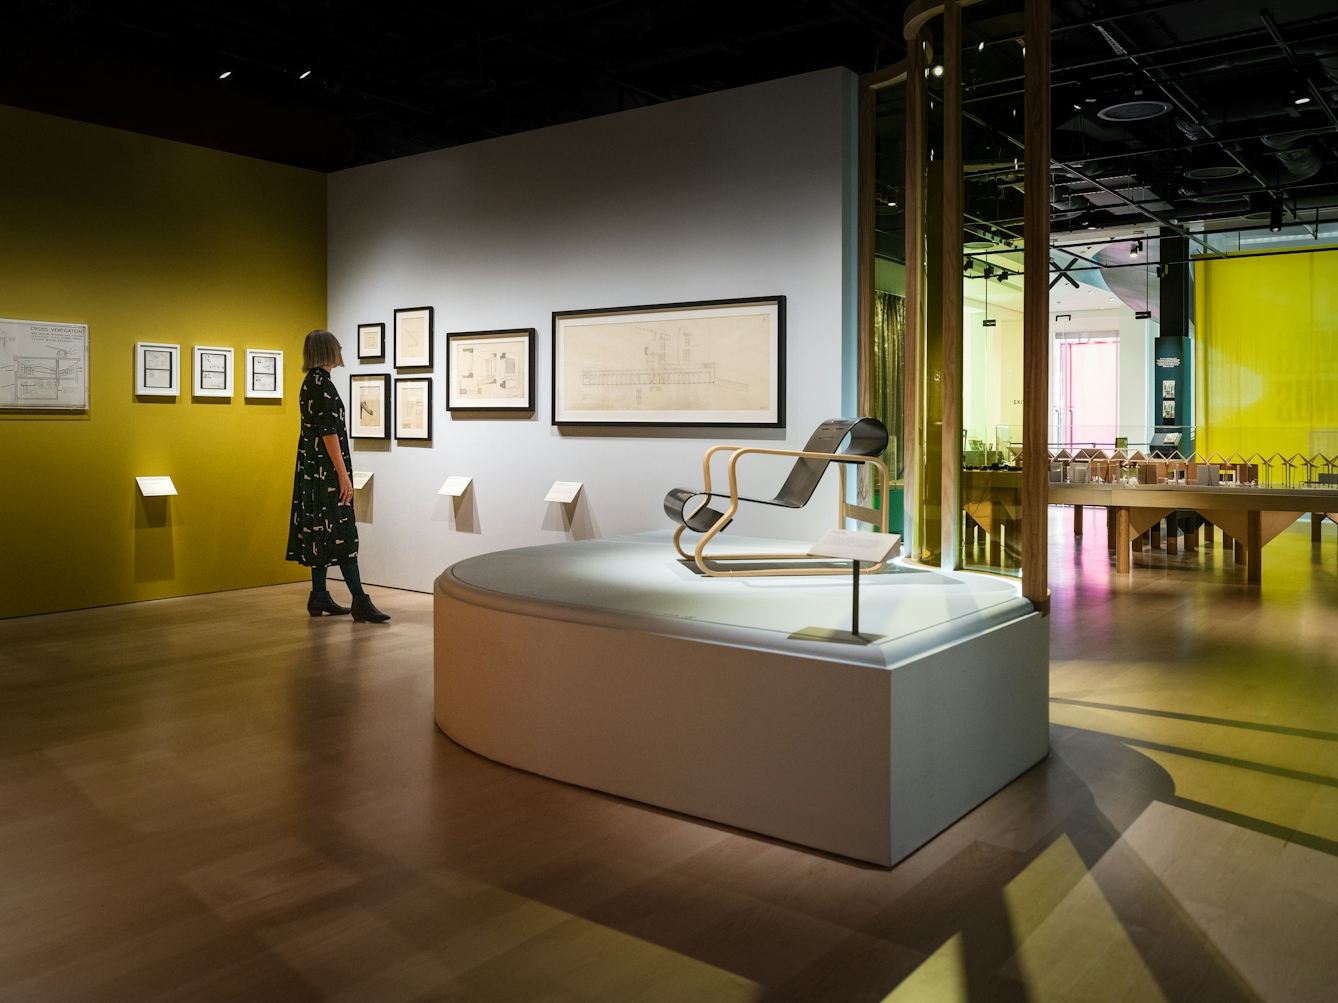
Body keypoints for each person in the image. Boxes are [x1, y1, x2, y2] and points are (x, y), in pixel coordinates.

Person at [286, 329, 390, 623]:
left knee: (321, 533)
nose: (341, 348)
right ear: (328, 350)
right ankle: (359, 599)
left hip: (312, 472)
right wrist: (343, 477)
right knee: (343, 535)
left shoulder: (311, 383)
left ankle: (319, 593)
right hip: (326, 473)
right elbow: (329, 433)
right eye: (337, 346)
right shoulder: (323, 385)